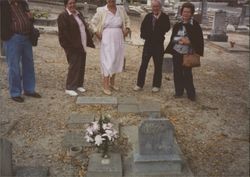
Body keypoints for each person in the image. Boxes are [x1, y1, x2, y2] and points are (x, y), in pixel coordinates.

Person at [0, 0, 41, 103]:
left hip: (26, 37)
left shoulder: (22, 3)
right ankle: (15, 93)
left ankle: (29, 89)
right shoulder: (3, 4)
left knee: (29, 64)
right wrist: (6, 36)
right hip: (12, 38)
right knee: (14, 66)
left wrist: (31, 18)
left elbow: (29, 18)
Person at [165, 2, 204, 101]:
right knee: (177, 72)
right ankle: (179, 92)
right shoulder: (178, 24)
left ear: (191, 13)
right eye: (184, 11)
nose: (185, 14)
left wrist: (189, 42)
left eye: (188, 12)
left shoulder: (195, 25)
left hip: (188, 54)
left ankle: (191, 94)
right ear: (181, 12)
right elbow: (173, 39)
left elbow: (199, 40)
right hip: (177, 51)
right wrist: (179, 40)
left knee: (187, 74)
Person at [91, 0, 130, 95]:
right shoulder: (101, 10)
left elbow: (127, 20)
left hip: (119, 38)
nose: (111, 0)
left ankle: (112, 83)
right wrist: (97, 33)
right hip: (107, 38)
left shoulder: (121, 9)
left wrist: (127, 29)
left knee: (116, 60)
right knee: (108, 61)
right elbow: (92, 23)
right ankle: (105, 85)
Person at [58, 0, 95, 96]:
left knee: (81, 64)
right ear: (66, 4)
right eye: (70, 3)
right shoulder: (63, 16)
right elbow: (63, 33)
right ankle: (69, 87)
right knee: (74, 66)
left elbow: (83, 27)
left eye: (74, 3)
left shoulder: (78, 14)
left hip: (81, 44)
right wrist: (68, 46)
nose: (72, 5)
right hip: (72, 46)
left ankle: (79, 84)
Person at [133, 0, 170, 93]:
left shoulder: (164, 17)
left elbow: (167, 28)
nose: (155, 8)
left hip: (158, 45)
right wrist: (146, 35)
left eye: (157, 6)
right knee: (143, 65)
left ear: (160, 7)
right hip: (148, 44)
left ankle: (156, 85)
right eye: (154, 7)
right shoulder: (148, 16)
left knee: (158, 65)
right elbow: (143, 28)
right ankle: (139, 84)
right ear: (152, 7)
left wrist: (158, 23)